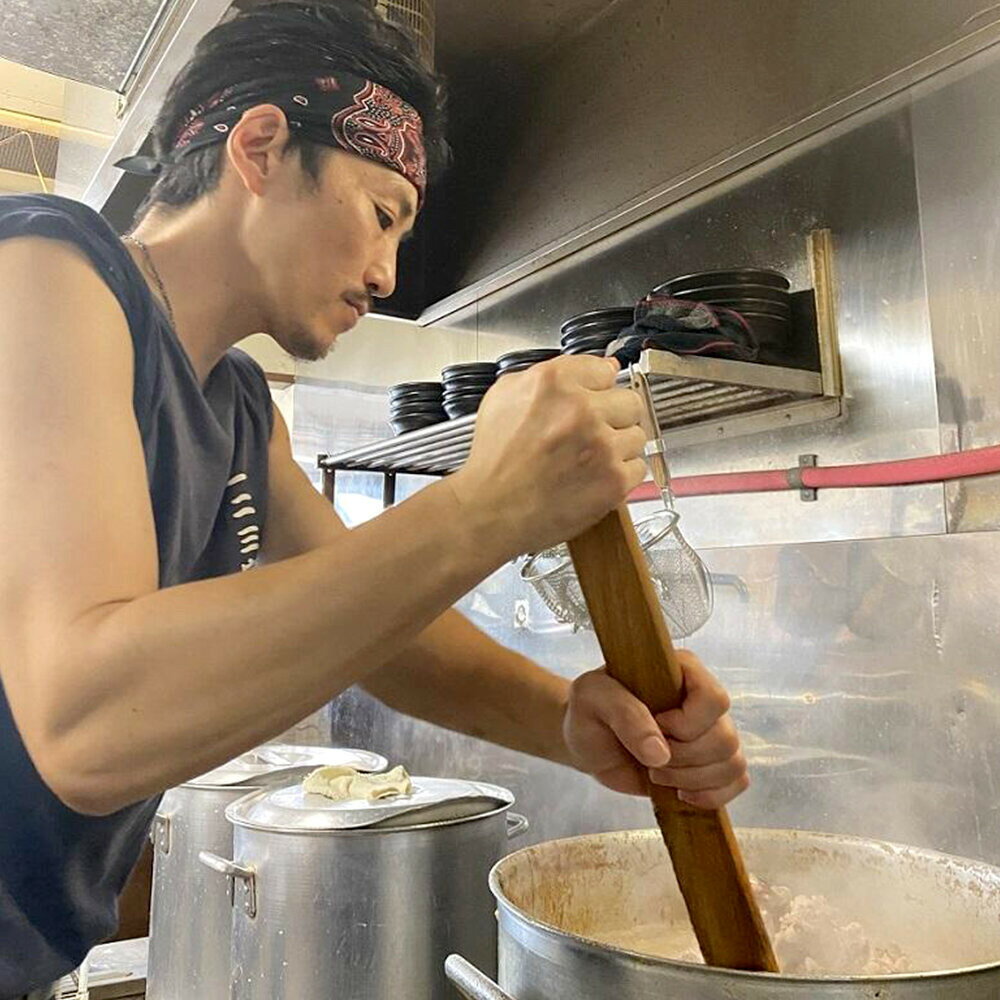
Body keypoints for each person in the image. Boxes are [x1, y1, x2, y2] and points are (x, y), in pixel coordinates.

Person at [0, 3, 748, 995]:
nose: (388, 274)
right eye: (383, 213)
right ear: (261, 147)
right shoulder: (46, 265)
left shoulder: (238, 409)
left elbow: (392, 641)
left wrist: (569, 721)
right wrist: (487, 506)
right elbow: (84, 722)